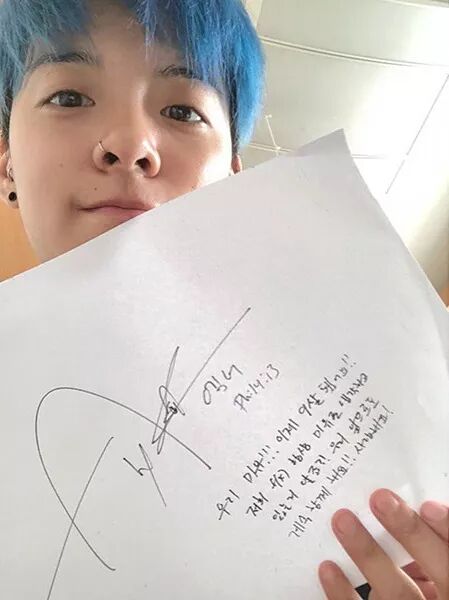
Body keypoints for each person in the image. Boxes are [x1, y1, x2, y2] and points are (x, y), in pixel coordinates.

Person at [0, 1, 447, 598]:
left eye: (182, 110)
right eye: (69, 97)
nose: (130, 144)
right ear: (6, 163)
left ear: (236, 176)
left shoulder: (393, 447)